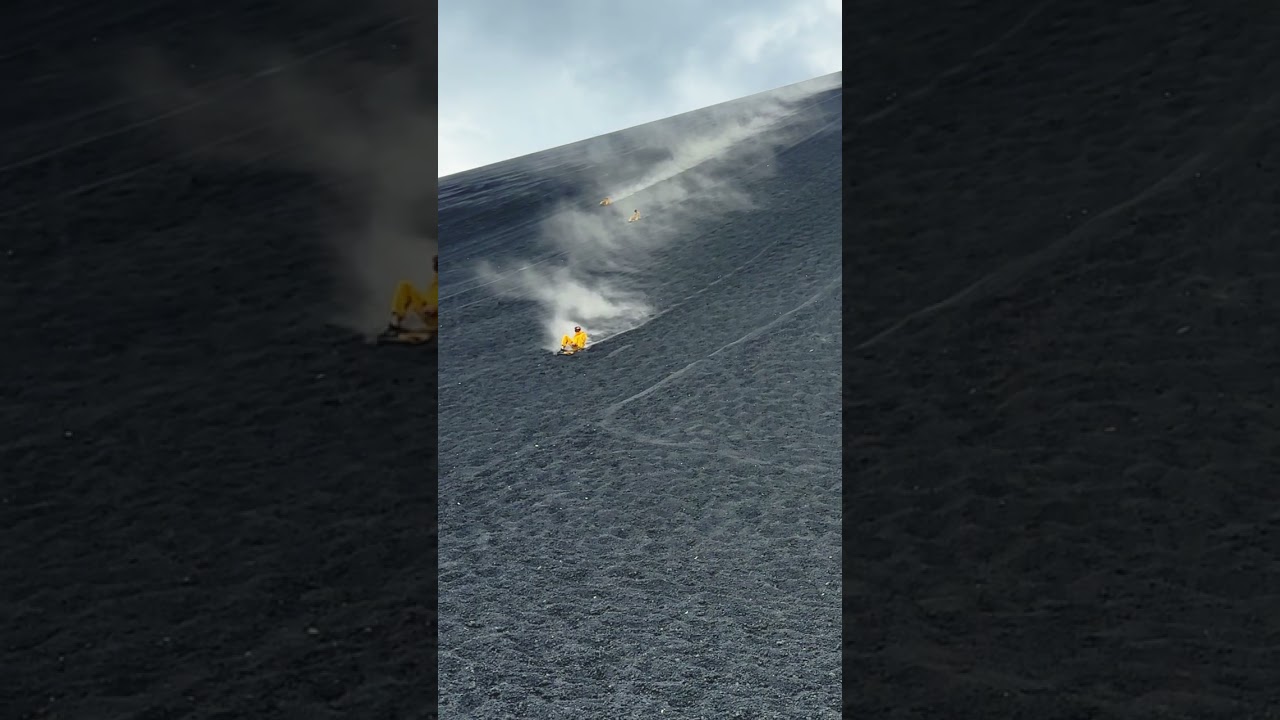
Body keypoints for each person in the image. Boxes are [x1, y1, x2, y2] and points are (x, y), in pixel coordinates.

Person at [388, 254, 438, 335]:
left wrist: (435, 308)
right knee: (404, 285)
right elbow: (430, 296)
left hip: (436, 316)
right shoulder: (436, 278)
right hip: (427, 310)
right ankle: (396, 321)